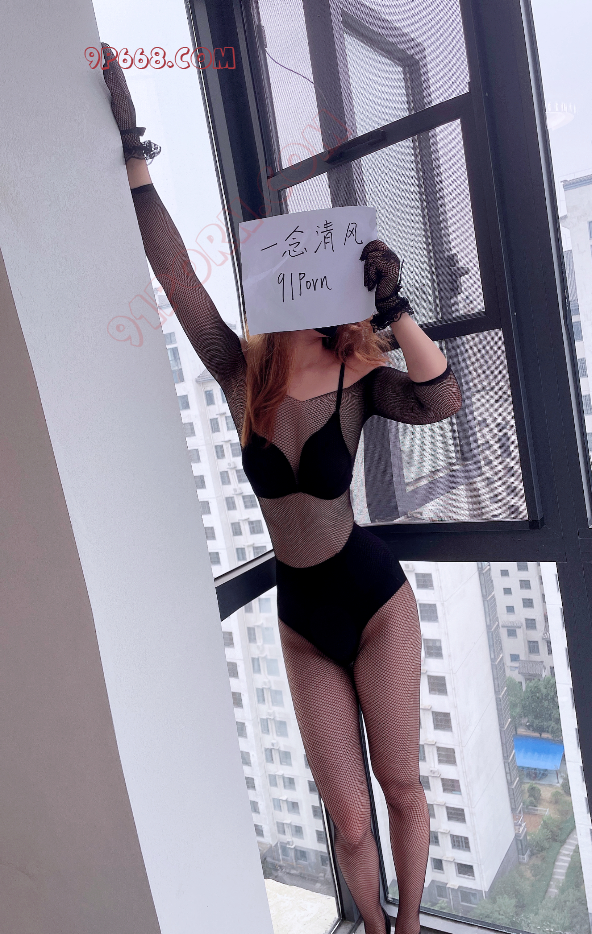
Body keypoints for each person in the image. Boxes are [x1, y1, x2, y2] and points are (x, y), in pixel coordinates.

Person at [102, 46, 462, 934]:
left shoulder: (359, 378)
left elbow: (442, 397)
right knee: (350, 822)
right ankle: (373, 927)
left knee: (401, 784)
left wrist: (394, 305)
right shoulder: (239, 375)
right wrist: (133, 150)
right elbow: (177, 277)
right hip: (302, 616)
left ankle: (410, 927)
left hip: (374, 602)